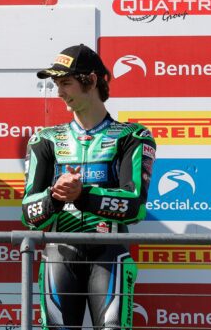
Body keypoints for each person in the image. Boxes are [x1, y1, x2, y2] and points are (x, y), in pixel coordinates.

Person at [21, 44, 156, 330]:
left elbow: (135, 206)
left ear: (91, 80)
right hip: (59, 252)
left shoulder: (133, 136)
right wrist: (56, 197)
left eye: (65, 83)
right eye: (57, 84)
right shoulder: (44, 139)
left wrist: (83, 195)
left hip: (110, 252)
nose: (59, 92)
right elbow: (28, 214)